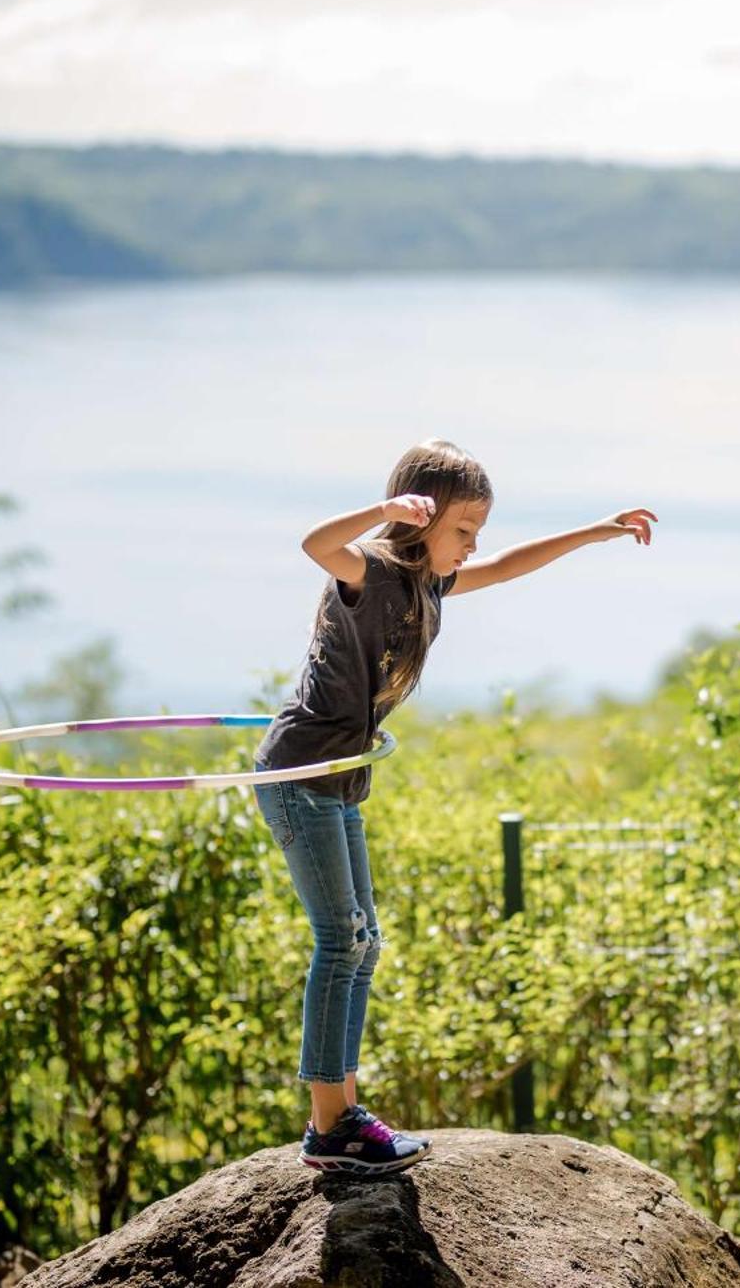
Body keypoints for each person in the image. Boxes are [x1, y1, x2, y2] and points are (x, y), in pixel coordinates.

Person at [252, 436, 655, 1173]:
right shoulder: (368, 569)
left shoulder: (426, 586)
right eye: (463, 530)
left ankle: (340, 1109)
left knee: (363, 939)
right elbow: (314, 543)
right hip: (301, 774)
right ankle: (329, 1122)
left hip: (339, 780)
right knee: (341, 940)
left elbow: (505, 568)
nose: (474, 546)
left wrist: (596, 531)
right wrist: (381, 512)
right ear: (421, 518)